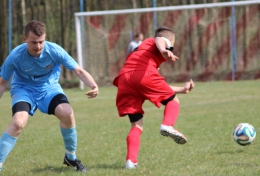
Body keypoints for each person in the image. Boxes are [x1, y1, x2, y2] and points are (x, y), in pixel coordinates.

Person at [0, 20, 99, 172]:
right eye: (34, 42)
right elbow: (2, 83)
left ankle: (70, 157)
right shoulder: (15, 56)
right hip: (23, 90)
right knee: (18, 123)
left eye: (41, 42)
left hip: (49, 89)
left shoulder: (54, 51)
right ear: (24, 39)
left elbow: (78, 70)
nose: (38, 47)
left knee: (67, 113)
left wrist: (93, 85)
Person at [113, 26, 195, 169]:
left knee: (136, 125)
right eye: (172, 44)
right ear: (170, 40)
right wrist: (165, 50)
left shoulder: (143, 54)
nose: (171, 47)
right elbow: (159, 39)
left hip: (124, 80)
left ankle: (131, 162)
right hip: (141, 75)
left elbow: (154, 85)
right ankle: (168, 125)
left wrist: (182, 89)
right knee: (173, 100)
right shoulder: (156, 41)